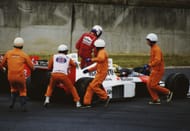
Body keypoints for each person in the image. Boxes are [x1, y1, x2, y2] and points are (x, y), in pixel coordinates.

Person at [0, 37, 34, 111]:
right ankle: (23, 106)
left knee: (13, 89)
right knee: (23, 90)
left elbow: (2, 64)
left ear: (14, 44)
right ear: (22, 45)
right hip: (20, 76)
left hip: (10, 76)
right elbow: (31, 67)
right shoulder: (24, 55)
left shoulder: (8, 53)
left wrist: (4, 69)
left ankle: (11, 104)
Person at [144, 33, 173, 104]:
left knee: (153, 85)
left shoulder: (156, 49)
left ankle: (168, 92)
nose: (147, 42)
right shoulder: (153, 48)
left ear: (151, 41)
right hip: (154, 70)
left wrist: (149, 65)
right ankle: (156, 99)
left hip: (158, 70)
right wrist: (150, 67)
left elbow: (157, 60)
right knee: (148, 84)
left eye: (148, 40)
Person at [82, 39, 110, 108]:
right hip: (100, 73)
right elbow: (97, 66)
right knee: (90, 87)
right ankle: (87, 103)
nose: (94, 48)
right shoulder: (102, 52)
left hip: (101, 74)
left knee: (93, 86)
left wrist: (91, 59)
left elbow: (101, 59)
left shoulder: (102, 52)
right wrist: (88, 70)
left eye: (94, 47)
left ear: (97, 47)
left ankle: (105, 97)